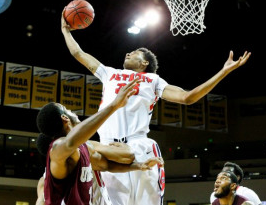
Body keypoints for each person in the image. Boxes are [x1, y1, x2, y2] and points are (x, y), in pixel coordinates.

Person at [61, 13, 251, 205]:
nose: (128, 53)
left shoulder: (153, 80)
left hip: (139, 146)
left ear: (144, 63)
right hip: (108, 147)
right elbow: (79, 54)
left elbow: (188, 97)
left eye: (135, 52)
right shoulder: (109, 73)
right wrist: (65, 31)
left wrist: (223, 72)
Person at [36, 78, 164, 205]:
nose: (72, 112)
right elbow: (69, 143)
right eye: (67, 110)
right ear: (65, 118)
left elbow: (106, 165)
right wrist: (114, 105)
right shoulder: (57, 148)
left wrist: (140, 166)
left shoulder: (85, 147)